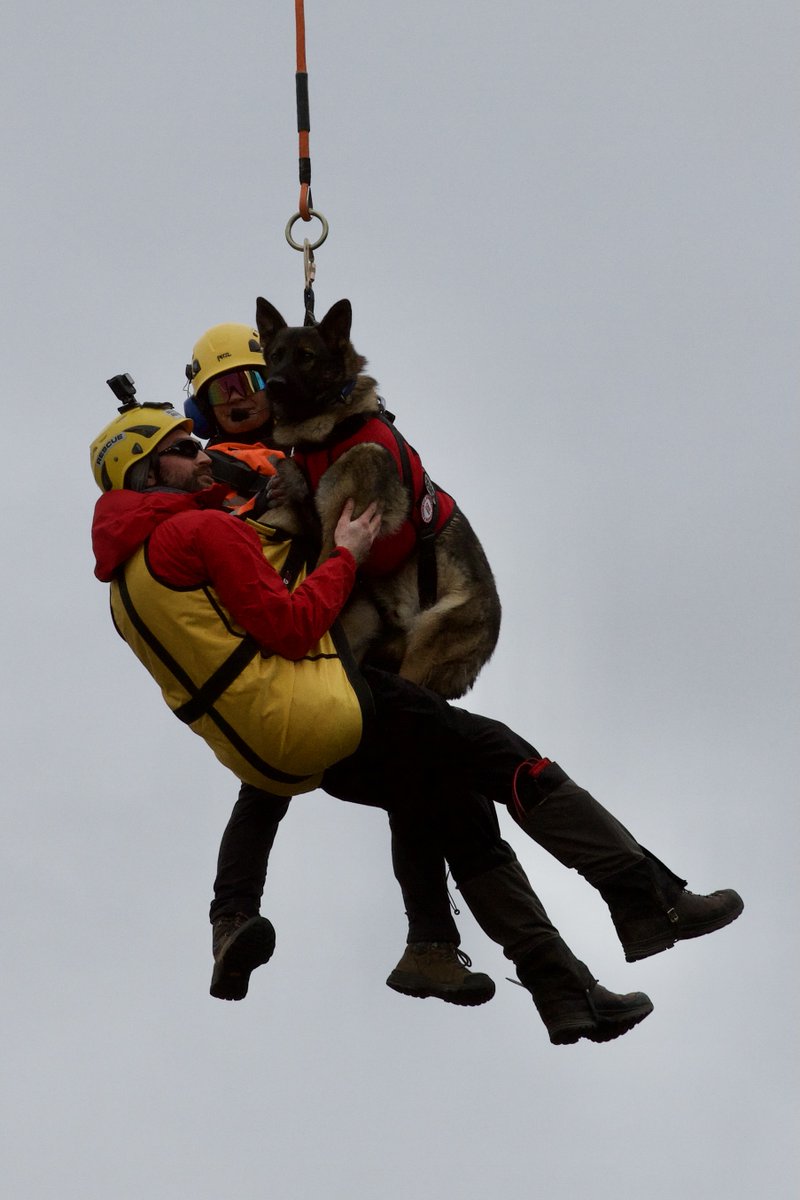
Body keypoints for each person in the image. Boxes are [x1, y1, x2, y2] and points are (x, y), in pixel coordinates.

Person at [90, 401, 744, 1046]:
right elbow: (289, 627)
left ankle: (563, 994)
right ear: (144, 472)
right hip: (330, 707)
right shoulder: (202, 532)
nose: (201, 454)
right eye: (182, 450)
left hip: (279, 757)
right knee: (500, 751)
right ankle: (646, 898)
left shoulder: (125, 591)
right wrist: (344, 555)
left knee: (450, 802)